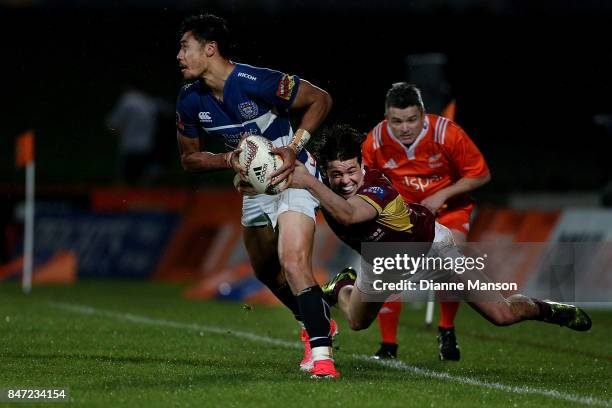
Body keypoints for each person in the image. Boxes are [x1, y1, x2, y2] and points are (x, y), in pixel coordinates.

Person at [288, 124, 591, 342]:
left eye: (351, 170)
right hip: (382, 262)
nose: (344, 181)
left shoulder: (376, 186)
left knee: (503, 315)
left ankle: (549, 310)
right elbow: (276, 175)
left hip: (433, 251)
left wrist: (309, 183)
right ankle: (344, 283)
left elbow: (350, 215)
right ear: (325, 172)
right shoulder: (320, 182)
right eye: (336, 174)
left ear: (363, 165)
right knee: (356, 322)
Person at [174, 14, 338, 378]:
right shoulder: (189, 100)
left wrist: (295, 146)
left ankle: (321, 355)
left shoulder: (254, 81)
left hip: (292, 173)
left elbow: (320, 100)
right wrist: (228, 159)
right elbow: (189, 158)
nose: (179, 56)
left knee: (293, 261)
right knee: (266, 270)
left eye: (185, 47)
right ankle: (314, 315)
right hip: (255, 185)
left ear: (210, 48)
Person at [362, 83, 491, 361]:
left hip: (450, 209)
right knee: (388, 267)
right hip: (403, 214)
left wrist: (441, 194)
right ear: (387, 118)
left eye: (411, 119)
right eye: (397, 121)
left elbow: (480, 175)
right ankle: (388, 345)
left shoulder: (448, 133)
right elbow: (363, 180)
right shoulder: (375, 141)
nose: (405, 127)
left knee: (449, 262)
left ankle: (446, 329)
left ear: (423, 114)